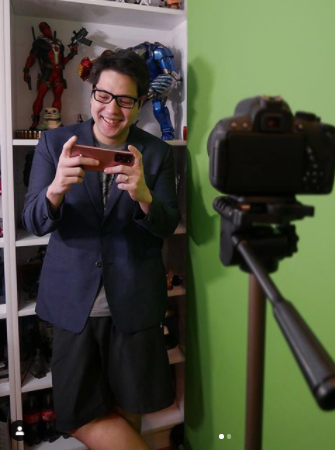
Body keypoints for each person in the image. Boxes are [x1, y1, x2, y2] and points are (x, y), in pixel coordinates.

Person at [22, 49, 180, 449]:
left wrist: (144, 196)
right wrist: (56, 189)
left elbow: (166, 225)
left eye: (125, 100)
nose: (111, 109)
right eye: (104, 96)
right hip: (73, 302)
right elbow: (34, 221)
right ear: (92, 93)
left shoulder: (156, 152)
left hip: (135, 300)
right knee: (76, 415)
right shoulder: (55, 142)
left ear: (140, 104)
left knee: (130, 407)